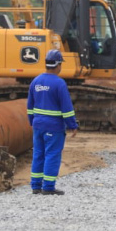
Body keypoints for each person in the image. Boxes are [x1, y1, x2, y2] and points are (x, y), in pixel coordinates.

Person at [27, 49, 78, 195]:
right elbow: (67, 108)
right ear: (58, 65)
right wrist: (72, 125)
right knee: (52, 155)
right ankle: (48, 187)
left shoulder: (36, 81)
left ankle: (36, 186)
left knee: (38, 154)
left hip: (38, 125)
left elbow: (30, 106)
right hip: (53, 127)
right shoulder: (59, 83)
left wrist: (32, 122)